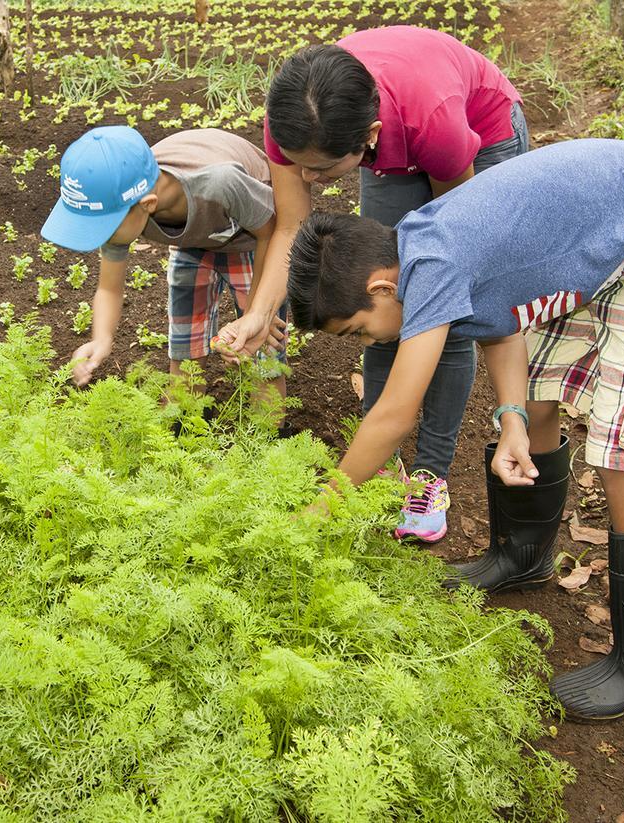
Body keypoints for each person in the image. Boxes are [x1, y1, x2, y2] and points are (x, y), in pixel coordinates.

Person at [285, 138, 624, 720]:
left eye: (359, 330)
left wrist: (321, 510)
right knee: (537, 395)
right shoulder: (422, 248)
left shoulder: (431, 263)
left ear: (382, 287)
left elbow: (393, 415)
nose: (369, 343)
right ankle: (522, 555)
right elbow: (503, 322)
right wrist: (510, 418)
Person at [218, 26, 527, 543]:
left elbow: (455, 248)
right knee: (381, 311)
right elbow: (292, 227)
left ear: (370, 137)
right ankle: (382, 463)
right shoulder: (295, 125)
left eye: (319, 170)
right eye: (298, 166)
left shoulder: (434, 125)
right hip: (387, 130)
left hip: (477, 133)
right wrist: (259, 313)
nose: (307, 178)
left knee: (439, 313)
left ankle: (430, 475)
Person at [40, 125, 287, 417]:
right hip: (192, 243)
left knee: (260, 356)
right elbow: (108, 287)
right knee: (185, 352)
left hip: (254, 241)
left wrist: (259, 312)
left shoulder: (218, 183)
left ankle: (269, 435)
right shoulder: (123, 200)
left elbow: (272, 233)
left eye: (103, 227)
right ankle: (183, 428)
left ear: (147, 205)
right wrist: (101, 339)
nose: (100, 237)